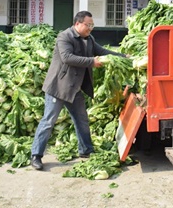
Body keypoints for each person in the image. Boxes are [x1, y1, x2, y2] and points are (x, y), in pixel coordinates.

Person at [30, 11, 126, 170]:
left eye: (92, 25)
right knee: (48, 121)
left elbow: (102, 51)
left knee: (81, 119)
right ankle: (36, 156)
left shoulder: (89, 39)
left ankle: (86, 150)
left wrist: (122, 56)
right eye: (88, 25)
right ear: (77, 24)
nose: (90, 28)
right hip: (58, 87)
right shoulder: (64, 37)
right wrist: (91, 62)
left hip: (75, 88)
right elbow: (67, 57)